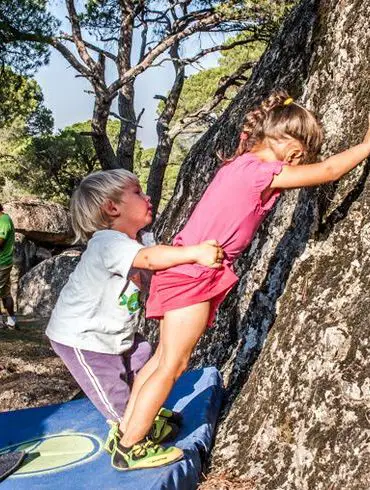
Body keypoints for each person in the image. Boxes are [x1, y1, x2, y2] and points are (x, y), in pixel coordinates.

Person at [113, 90, 370, 471]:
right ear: (285, 141)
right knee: (173, 363)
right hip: (196, 272)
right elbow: (329, 171)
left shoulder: (239, 164)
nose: (305, 156)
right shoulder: (264, 172)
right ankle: (131, 446)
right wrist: (366, 146)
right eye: (305, 146)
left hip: (180, 267)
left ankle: (127, 430)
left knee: (162, 359)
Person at [45, 169, 223, 463]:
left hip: (116, 333)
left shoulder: (139, 240)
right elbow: (151, 260)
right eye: (138, 192)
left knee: (144, 357)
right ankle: (129, 441)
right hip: (83, 339)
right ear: (112, 208)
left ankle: (145, 413)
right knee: (114, 393)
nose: (147, 196)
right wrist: (195, 253)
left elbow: (156, 268)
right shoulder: (108, 242)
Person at [0, 204, 16, 329]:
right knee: (5, 293)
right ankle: (11, 321)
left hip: (2, 263)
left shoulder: (4, 221)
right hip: (4, 262)